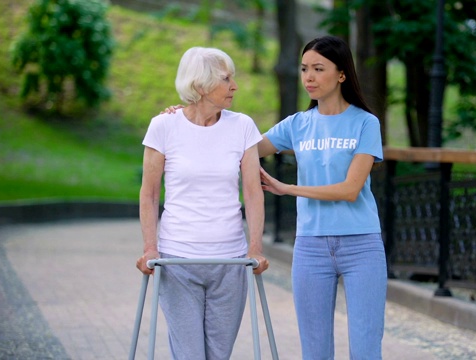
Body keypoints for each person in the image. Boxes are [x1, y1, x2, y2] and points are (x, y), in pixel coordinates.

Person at [163, 35, 387, 359]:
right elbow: (241, 145)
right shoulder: (297, 125)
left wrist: (288, 188)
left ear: (341, 74)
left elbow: (351, 189)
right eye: (304, 68)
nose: (308, 77)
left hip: (361, 244)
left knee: (366, 348)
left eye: (318, 69)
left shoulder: (365, 123)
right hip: (311, 247)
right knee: (314, 350)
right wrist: (186, 117)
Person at [137, 46, 269, 360]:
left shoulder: (242, 126)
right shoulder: (164, 126)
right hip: (178, 260)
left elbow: (252, 193)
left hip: (231, 261)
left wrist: (255, 248)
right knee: (190, 355)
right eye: (226, 79)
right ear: (200, 85)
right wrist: (149, 248)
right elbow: (149, 194)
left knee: (219, 354)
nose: (234, 86)